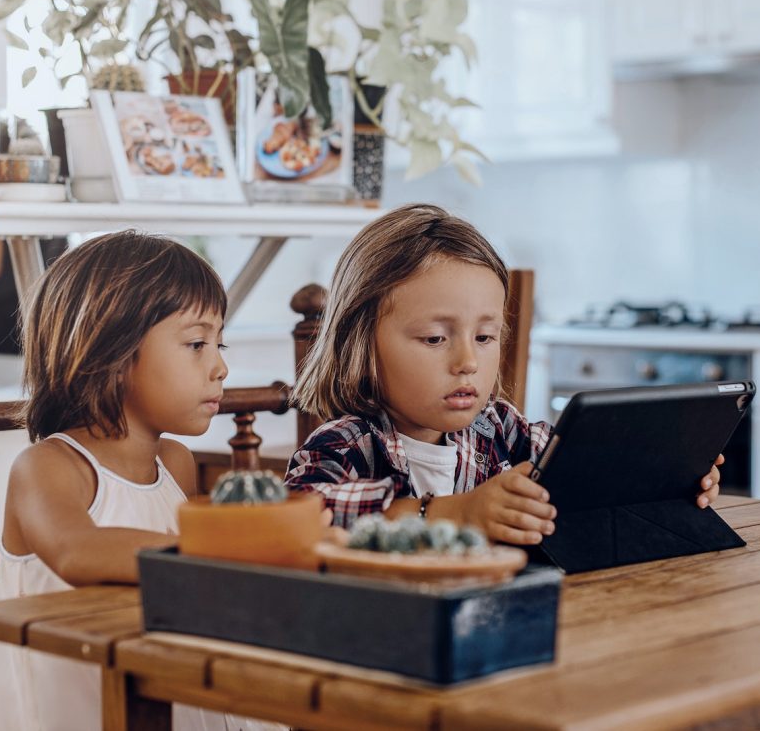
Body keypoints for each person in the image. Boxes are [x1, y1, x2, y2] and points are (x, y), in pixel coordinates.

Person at [285, 203, 724, 542]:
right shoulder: (343, 445)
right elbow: (300, 515)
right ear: (360, 342)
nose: (467, 362)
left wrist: (669, 476)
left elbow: (588, 465)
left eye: (485, 337)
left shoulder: (499, 430)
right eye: (436, 339)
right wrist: (459, 513)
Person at [0, 231, 281, 731]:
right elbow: (77, 551)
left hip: (158, 680)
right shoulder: (50, 466)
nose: (220, 366)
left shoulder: (175, 461)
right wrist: (222, 551)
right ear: (113, 353)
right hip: (76, 709)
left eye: (219, 342)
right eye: (196, 344)